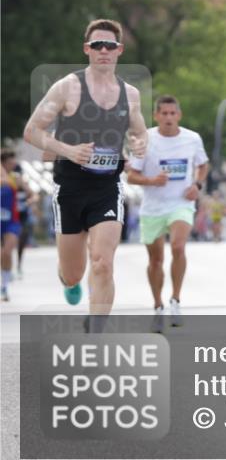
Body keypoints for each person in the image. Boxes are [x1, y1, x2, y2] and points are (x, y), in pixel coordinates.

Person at [22, 18, 147, 328]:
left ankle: (96, 333)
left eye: (109, 46)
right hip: (70, 185)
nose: (103, 51)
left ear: (119, 50)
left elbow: (139, 131)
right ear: (87, 49)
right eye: (97, 45)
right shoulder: (67, 87)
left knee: (103, 263)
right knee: (73, 272)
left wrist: (139, 145)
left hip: (107, 186)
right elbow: (31, 131)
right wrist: (67, 150)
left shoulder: (130, 93)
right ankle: (70, 281)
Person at [127, 95, 209, 332]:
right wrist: (151, 180)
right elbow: (131, 175)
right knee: (156, 260)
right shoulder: (145, 140)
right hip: (152, 208)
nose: (169, 118)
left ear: (179, 116)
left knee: (178, 247)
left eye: (173, 113)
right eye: (164, 113)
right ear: (156, 116)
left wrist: (197, 185)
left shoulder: (192, 139)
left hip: (180, 204)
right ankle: (158, 306)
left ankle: (175, 300)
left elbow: (202, 165)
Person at [1, 150, 21, 302]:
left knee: (7, 253)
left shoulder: (14, 178)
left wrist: (31, 200)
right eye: (10, 162)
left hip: (11, 222)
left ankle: (4, 286)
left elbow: (30, 192)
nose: (13, 164)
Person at [14, 165, 37, 279]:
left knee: (21, 242)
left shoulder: (24, 187)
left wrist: (29, 202)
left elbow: (34, 196)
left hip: (23, 218)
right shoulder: (9, 185)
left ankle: (18, 265)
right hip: (11, 218)